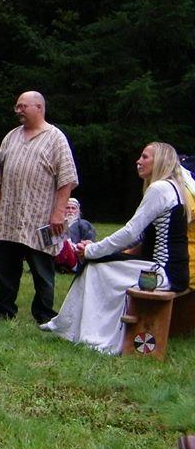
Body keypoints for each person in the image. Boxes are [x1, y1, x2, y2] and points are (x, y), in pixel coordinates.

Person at [40, 142, 191, 354]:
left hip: (162, 273)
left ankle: (92, 336)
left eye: (145, 157)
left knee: (96, 268)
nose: (138, 161)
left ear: (160, 161)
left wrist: (92, 251)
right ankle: (67, 325)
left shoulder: (160, 189)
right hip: (169, 270)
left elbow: (130, 232)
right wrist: (96, 248)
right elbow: (139, 235)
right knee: (97, 264)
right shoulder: (173, 187)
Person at [0, 91, 79, 323]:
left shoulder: (56, 138)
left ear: (39, 107)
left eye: (23, 106)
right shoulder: (11, 136)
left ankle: (43, 312)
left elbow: (67, 180)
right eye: (17, 106)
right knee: (6, 267)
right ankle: (4, 310)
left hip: (41, 217)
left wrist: (58, 213)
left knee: (42, 268)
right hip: (10, 215)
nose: (18, 110)